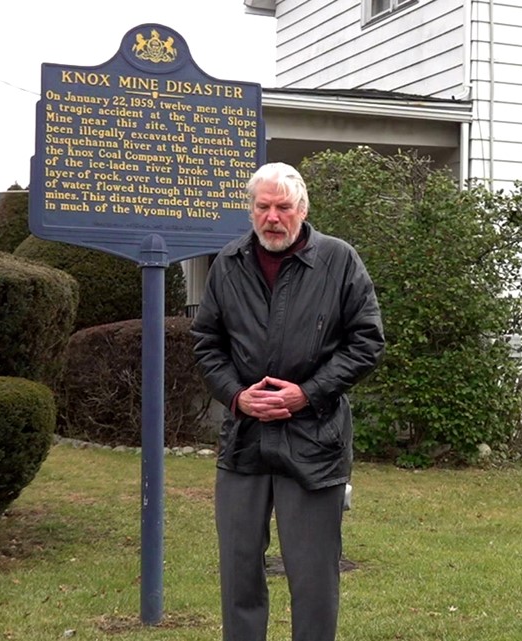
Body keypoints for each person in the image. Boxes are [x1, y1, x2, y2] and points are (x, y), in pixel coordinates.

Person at [191, 162, 384, 641]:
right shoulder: (228, 263)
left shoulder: (339, 260)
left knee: (314, 575)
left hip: (314, 440)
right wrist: (237, 397)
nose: (272, 217)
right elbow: (207, 343)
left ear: (302, 209)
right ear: (251, 210)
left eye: (283, 207)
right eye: (263, 206)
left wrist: (308, 394)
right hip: (244, 442)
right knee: (239, 572)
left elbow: (367, 341)